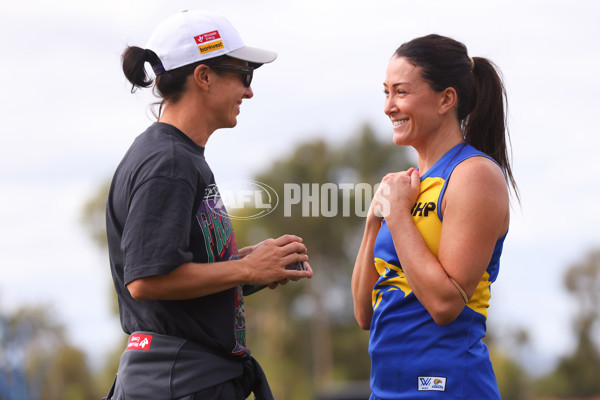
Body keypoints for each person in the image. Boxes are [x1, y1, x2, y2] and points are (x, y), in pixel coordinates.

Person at [104, 10, 312, 400]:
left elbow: (173, 270)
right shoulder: (170, 162)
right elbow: (146, 280)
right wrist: (246, 266)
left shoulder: (176, 156)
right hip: (180, 383)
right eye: (243, 75)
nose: (249, 91)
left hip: (185, 380)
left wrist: (251, 268)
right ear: (203, 76)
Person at [351, 34, 518, 400]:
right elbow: (364, 313)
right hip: (386, 390)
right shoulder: (405, 187)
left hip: (448, 388)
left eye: (401, 92)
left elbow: (445, 304)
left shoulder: (474, 174)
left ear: (446, 99)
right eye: (385, 92)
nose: (388, 107)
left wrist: (397, 217)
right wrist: (373, 222)